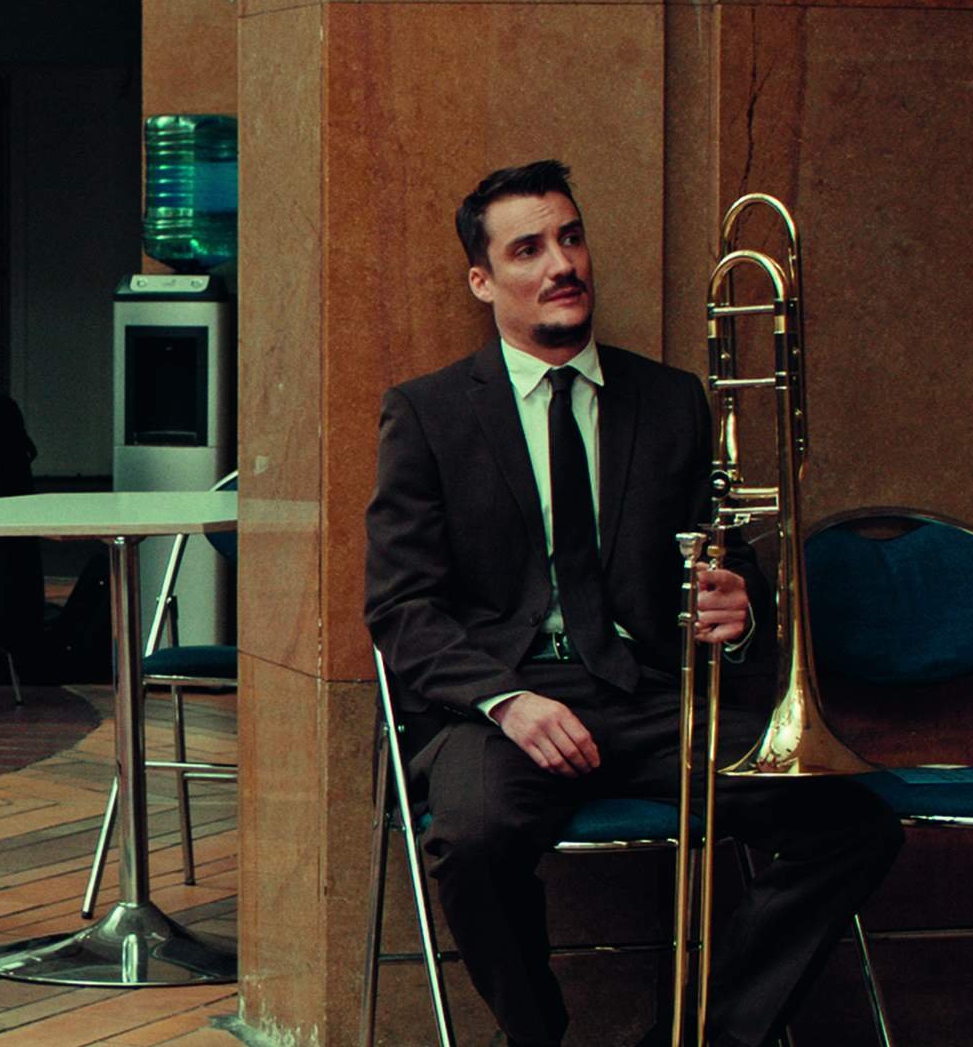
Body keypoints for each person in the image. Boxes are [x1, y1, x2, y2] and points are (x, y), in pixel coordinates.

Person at [363, 160, 900, 1047]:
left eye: (570, 238)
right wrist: (507, 700)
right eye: (528, 249)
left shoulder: (671, 399)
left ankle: (704, 1037)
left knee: (855, 820)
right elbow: (401, 607)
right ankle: (536, 1038)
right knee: (473, 838)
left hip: (651, 696)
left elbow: (724, 564)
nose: (561, 264)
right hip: (502, 705)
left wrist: (738, 612)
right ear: (482, 280)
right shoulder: (427, 414)